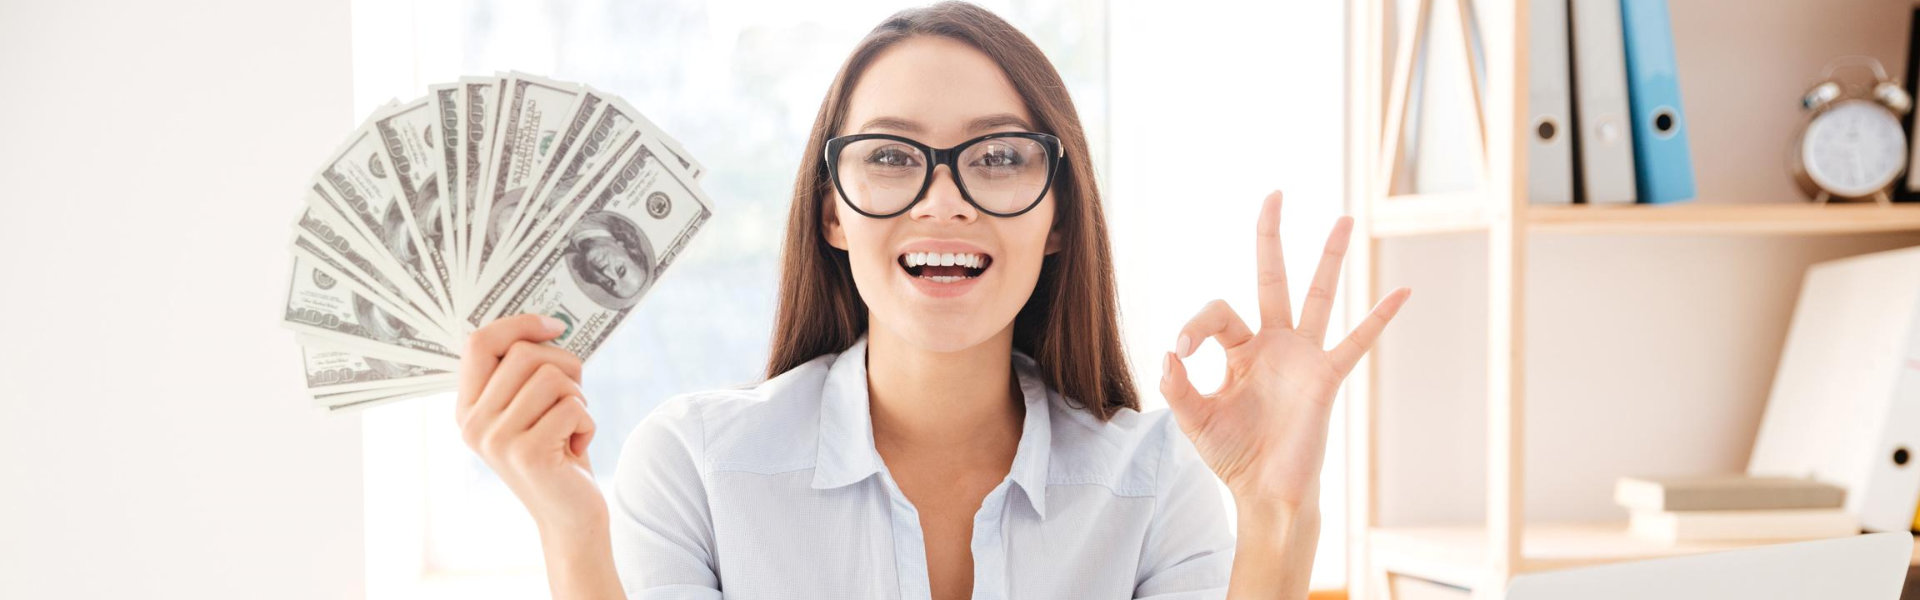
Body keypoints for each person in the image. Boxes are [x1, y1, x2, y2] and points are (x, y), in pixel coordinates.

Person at [451, 2, 1412, 599]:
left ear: (1059, 218)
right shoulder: (697, 468)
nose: (943, 196)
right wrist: (572, 531)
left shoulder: (1154, 484)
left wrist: (1277, 512)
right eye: (890, 156)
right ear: (832, 211)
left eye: (998, 157)